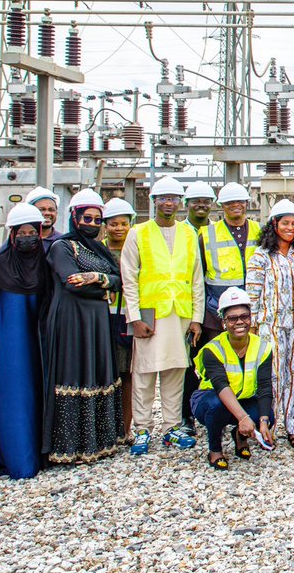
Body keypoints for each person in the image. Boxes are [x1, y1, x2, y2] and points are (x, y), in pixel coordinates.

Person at [121, 176, 205, 454]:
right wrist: (134, 317)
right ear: (154, 201)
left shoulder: (188, 234)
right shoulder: (138, 233)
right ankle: (143, 429)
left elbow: (196, 279)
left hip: (179, 313)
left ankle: (171, 428)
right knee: (144, 372)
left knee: (174, 373)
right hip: (149, 315)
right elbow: (129, 278)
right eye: (163, 198)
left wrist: (197, 318)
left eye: (173, 198)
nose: (168, 202)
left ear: (180, 203)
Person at [0, 203, 50, 484]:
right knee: (12, 398)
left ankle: (40, 457)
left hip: (39, 340)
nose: (27, 237)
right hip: (8, 344)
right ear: (12, 236)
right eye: (21, 232)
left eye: (32, 232)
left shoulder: (46, 262)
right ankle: (15, 462)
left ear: (39, 233)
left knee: (39, 395)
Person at [42, 188, 126, 464]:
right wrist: (102, 286)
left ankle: (99, 442)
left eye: (96, 220)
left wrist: (95, 278)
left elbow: (118, 279)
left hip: (97, 322)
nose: (91, 224)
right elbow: (71, 281)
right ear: (74, 218)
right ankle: (70, 446)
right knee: (74, 373)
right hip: (71, 320)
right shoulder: (62, 247)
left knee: (97, 371)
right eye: (86, 218)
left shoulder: (97, 249)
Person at [189, 181, 261, 436]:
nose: (235, 207)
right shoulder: (207, 234)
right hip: (215, 313)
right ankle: (213, 414)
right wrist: (197, 318)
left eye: (239, 202)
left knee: (247, 364)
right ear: (222, 207)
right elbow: (198, 278)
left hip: (248, 312)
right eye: (230, 203)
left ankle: (246, 416)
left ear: (247, 204)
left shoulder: (258, 231)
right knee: (216, 366)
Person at [246, 198, 294, 447]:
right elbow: (252, 292)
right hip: (269, 325)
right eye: (285, 223)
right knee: (273, 376)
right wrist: (252, 325)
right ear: (274, 225)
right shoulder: (261, 256)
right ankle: (268, 426)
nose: (290, 228)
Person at [190, 286, 275, 469]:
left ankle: (240, 436)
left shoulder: (263, 347)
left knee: (268, 414)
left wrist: (263, 422)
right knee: (216, 406)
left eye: (244, 317)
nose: (239, 322)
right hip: (211, 398)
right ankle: (215, 449)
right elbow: (221, 386)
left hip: (243, 399)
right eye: (232, 318)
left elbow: (265, 386)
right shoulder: (213, 349)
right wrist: (244, 418)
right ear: (223, 323)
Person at [101, 197, 136, 435]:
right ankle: (104, 428)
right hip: (103, 318)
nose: (119, 228)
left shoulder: (136, 248)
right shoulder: (98, 249)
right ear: (105, 225)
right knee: (106, 372)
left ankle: (124, 428)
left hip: (128, 316)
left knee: (128, 373)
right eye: (114, 223)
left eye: (124, 223)